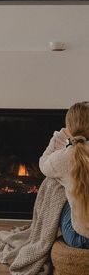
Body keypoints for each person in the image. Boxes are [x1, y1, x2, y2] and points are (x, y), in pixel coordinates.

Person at [39, 101, 89, 249]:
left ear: (69, 127)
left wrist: (59, 136)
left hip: (80, 238)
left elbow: (43, 164)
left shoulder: (65, 157)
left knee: (56, 186)